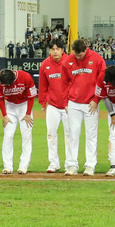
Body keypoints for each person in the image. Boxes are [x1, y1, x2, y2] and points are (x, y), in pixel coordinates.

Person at [62, 39, 106, 176]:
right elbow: (64, 83)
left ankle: (90, 165)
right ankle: (71, 165)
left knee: (91, 135)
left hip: (91, 103)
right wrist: (65, 102)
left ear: (86, 49)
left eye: (80, 54)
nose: (78, 57)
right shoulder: (67, 62)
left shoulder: (97, 59)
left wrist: (96, 99)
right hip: (73, 103)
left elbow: (102, 81)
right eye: (76, 54)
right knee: (73, 134)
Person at [0, 69, 37, 174]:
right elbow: (0, 98)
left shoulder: (25, 77)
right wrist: (4, 115)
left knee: (26, 136)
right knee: (8, 136)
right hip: (10, 106)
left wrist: (28, 113)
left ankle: (23, 166)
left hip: (24, 105)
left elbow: (31, 97)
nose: (7, 86)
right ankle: (7, 166)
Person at [37, 39, 69, 173]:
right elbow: (43, 84)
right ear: (49, 50)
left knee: (69, 135)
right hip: (53, 105)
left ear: (62, 50)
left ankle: (70, 163)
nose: (55, 52)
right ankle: (54, 163)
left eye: (58, 49)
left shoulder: (69, 62)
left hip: (69, 105)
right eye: (52, 49)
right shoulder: (45, 64)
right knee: (51, 134)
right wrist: (42, 101)